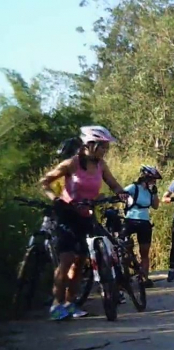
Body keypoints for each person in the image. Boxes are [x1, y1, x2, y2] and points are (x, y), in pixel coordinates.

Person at [39, 125, 128, 320]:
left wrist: (122, 194)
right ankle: (56, 304)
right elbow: (44, 181)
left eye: (106, 147)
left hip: (86, 215)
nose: (106, 150)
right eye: (103, 146)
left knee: (80, 263)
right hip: (67, 215)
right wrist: (54, 198)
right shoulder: (72, 164)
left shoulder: (101, 166)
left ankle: (71, 303)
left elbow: (113, 184)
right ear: (90, 145)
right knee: (66, 261)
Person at [120, 165, 163, 288]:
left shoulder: (151, 191)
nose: (154, 182)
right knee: (123, 249)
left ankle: (144, 278)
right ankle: (125, 276)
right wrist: (125, 198)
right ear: (146, 178)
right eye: (153, 179)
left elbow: (155, 206)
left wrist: (154, 193)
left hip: (144, 222)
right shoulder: (134, 187)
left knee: (144, 252)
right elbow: (121, 194)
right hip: (130, 220)